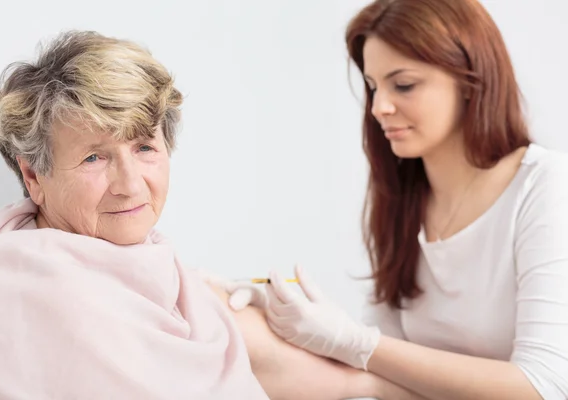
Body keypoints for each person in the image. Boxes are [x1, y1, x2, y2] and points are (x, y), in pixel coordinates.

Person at [0, 30, 380, 400]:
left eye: (144, 148)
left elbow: (348, 382)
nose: (130, 184)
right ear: (32, 174)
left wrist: (358, 349)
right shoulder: (36, 290)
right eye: (94, 157)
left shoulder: (159, 273)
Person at [226, 0, 568, 399]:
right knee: (244, 327)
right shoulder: (404, 199)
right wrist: (291, 320)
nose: (378, 107)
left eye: (403, 84)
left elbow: (545, 385)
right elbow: (385, 372)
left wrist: (357, 346)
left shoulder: (545, 186)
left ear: (470, 78)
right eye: (373, 86)